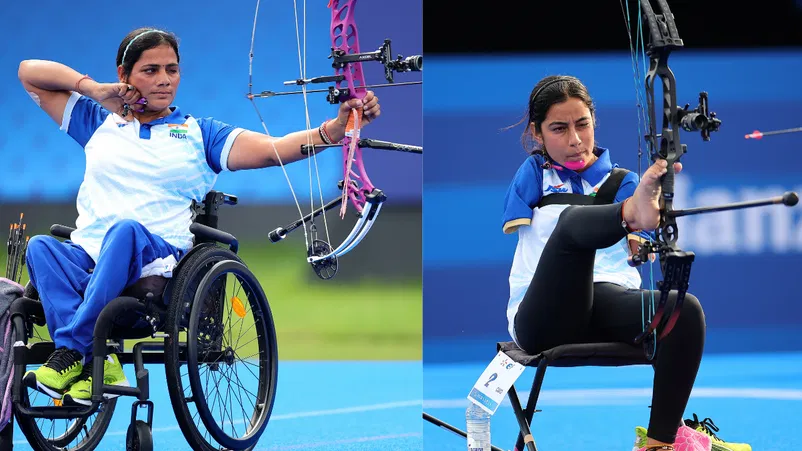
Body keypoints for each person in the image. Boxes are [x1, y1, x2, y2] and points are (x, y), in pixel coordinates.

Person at [17, 27, 381, 406]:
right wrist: (92, 89)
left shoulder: (199, 133)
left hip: (154, 261)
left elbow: (274, 150)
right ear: (123, 75)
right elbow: (29, 72)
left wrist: (337, 129)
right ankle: (100, 359)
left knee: (124, 232)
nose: (163, 80)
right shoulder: (96, 123)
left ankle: (73, 351)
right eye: (150, 70)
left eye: (171, 70)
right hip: (89, 259)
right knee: (41, 247)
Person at [501, 75, 750, 451]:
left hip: (606, 305)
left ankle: (658, 443)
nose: (575, 140)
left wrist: (642, 242)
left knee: (684, 310)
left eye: (582, 124)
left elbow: (639, 250)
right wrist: (631, 213)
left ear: (594, 122)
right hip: (543, 318)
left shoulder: (624, 180)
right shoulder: (534, 176)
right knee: (570, 227)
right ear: (537, 134)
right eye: (559, 128)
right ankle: (629, 213)